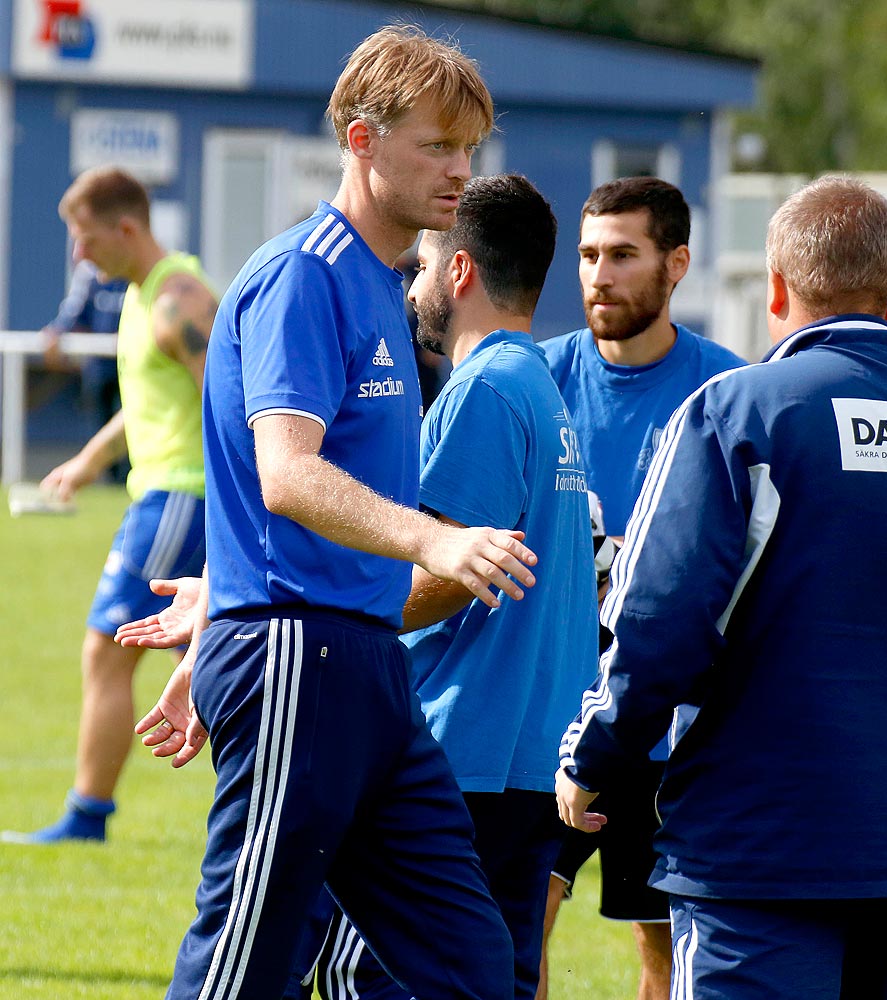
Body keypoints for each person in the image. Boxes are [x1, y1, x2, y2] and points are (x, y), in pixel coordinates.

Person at [555, 176, 887, 999]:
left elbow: (658, 618)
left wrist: (593, 752)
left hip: (759, 843)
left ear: (775, 287)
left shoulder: (731, 410)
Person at [129, 26, 542, 999]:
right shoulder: (305, 273)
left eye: (469, 147)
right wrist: (436, 536)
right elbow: (288, 475)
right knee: (248, 968)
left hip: (363, 669)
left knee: (473, 966)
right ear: (362, 142)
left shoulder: (382, 285)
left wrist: (218, 597)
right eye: (437, 146)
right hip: (298, 663)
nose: (460, 172)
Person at [305, 174, 598, 1000]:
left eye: (422, 263)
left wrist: (304, 618)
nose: (413, 282)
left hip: (463, 744)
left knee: (385, 976)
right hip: (526, 750)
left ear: (460, 271)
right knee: (486, 979)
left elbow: (443, 574)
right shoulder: (536, 381)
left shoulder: (486, 389)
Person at [538, 176, 745, 1000]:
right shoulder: (533, 379)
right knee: (516, 925)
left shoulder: (726, 392)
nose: (598, 275)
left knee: (664, 954)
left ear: (676, 263)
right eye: (588, 255)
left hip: (670, 723)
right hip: (545, 712)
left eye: (623, 255)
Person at [2, 167, 216, 845]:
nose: (77, 254)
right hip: (161, 493)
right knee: (186, 653)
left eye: (84, 236)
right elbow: (147, 402)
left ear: (127, 228)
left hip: (183, 496)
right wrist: (89, 461)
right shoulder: (138, 294)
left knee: (107, 651)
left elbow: (230, 406)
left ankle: (86, 816)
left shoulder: (179, 300)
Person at [39, 258, 129, 480]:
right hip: (99, 369)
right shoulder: (89, 273)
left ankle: (125, 480)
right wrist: (57, 330)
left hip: (131, 369)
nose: (80, 251)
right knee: (102, 426)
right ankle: (111, 482)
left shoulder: (137, 271)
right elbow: (73, 311)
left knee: (133, 427)